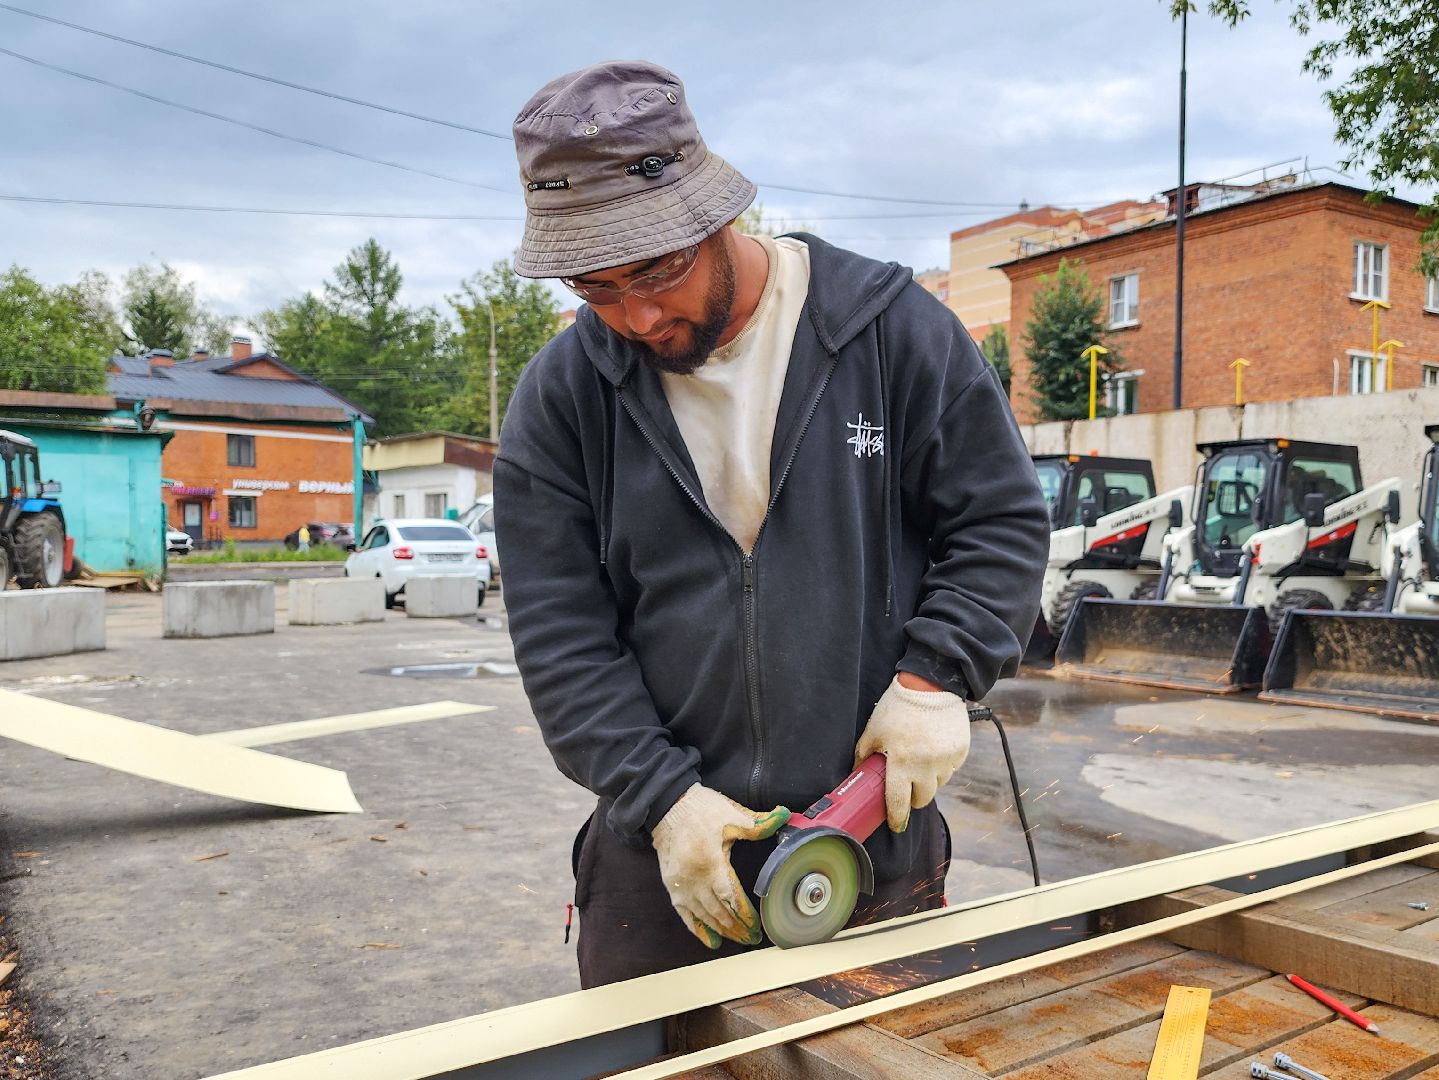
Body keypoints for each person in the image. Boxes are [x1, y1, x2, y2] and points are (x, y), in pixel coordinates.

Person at [494, 61, 1049, 987]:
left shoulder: (889, 332)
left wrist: (934, 678)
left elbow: (996, 520)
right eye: (597, 288)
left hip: (871, 842)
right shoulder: (563, 397)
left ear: (718, 218)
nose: (636, 315)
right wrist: (661, 798)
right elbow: (559, 634)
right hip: (666, 866)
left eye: (656, 271)